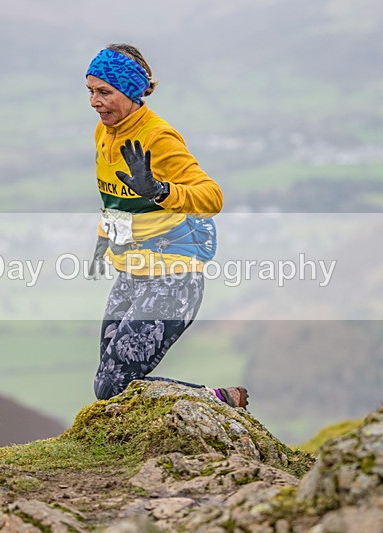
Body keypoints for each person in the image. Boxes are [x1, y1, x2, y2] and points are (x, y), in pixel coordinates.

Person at [85, 43, 248, 409]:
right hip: (133, 268)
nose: (94, 102)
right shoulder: (104, 132)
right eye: (91, 91)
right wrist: (104, 239)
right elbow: (116, 197)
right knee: (109, 380)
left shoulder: (158, 137)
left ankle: (213, 401)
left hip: (174, 275)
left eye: (104, 92)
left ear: (128, 91)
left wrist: (159, 191)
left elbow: (212, 198)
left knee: (113, 385)